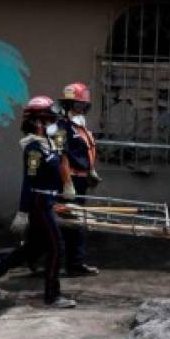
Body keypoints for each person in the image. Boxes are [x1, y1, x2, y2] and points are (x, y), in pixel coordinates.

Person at [0, 96, 77, 309]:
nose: (53, 124)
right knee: (56, 248)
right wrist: (22, 212)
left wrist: (66, 186)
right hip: (39, 201)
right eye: (49, 120)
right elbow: (28, 182)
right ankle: (52, 296)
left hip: (48, 198)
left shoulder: (49, 143)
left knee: (33, 248)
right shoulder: (33, 150)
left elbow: (63, 153)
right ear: (37, 122)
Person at [56, 82, 100, 276]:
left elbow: (86, 151)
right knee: (67, 225)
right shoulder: (61, 128)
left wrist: (91, 171)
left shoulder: (79, 126)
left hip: (81, 180)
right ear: (67, 105)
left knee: (77, 224)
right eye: (77, 105)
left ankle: (76, 263)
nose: (80, 109)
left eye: (83, 105)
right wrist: (67, 184)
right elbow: (61, 157)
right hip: (70, 180)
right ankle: (57, 263)